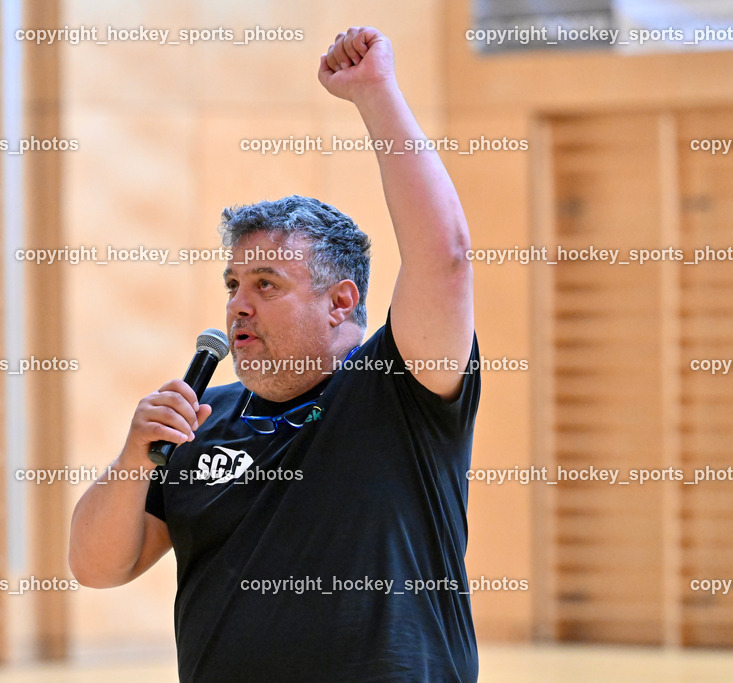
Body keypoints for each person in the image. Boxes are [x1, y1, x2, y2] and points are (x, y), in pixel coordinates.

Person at [69, 26, 479, 682]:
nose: (238, 303)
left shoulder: (396, 393)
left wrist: (376, 95)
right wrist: (132, 455)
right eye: (233, 284)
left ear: (340, 302)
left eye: (266, 284)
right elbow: (97, 565)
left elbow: (445, 258)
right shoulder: (201, 421)